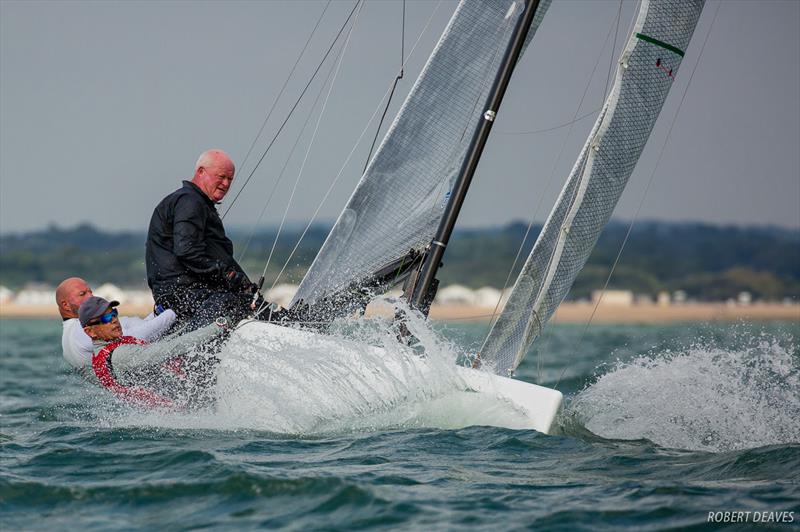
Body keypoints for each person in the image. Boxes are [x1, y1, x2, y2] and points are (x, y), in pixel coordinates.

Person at [146, 149, 262, 327]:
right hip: (181, 293)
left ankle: (292, 319)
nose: (225, 183)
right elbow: (187, 251)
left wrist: (245, 285)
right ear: (201, 172)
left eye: (230, 179)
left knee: (255, 305)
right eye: (221, 176)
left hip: (197, 292)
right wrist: (228, 275)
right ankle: (190, 352)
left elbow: (216, 255)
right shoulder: (189, 201)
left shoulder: (197, 203)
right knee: (232, 304)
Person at [80, 296, 228, 408]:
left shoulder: (107, 351)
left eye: (114, 314)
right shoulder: (121, 355)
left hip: (178, 404)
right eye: (105, 318)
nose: (113, 320)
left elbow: (163, 345)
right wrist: (219, 326)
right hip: (185, 408)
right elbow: (172, 348)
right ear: (90, 332)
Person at [56, 277, 177, 377]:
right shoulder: (80, 331)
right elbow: (138, 335)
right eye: (82, 294)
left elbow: (134, 325)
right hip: (152, 379)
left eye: (90, 292)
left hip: (145, 388)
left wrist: (160, 312)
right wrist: (172, 312)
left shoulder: (72, 334)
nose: (91, 297)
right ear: (65, 305)